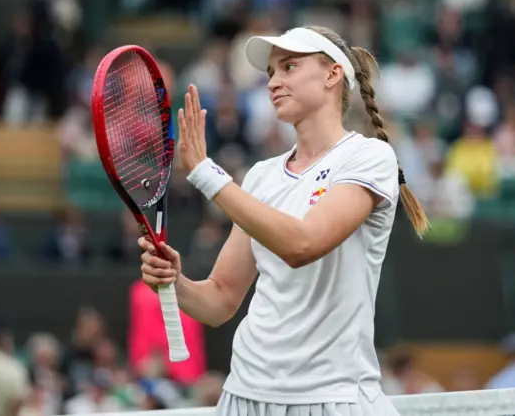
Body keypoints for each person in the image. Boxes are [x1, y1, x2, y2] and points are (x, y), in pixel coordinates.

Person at [138, 26, 429, 415]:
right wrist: (176, 284)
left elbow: (302, 245)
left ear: (332, 75)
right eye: (271, 73)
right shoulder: (262, 176)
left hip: (333, 397)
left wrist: (207, 174)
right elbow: (222, 299)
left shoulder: (369, 158)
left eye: (289, 66)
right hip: (244, 395)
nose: (274, 81)